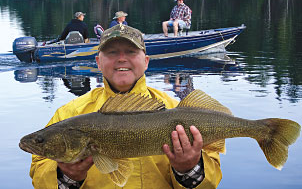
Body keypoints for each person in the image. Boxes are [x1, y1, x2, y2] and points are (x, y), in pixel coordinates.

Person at [29, 25, 223, 189]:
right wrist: (66, 176)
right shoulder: (69, 113)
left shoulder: (176, 109)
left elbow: (210, 181)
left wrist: (189, 168)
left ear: (146, 61)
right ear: (98, 62)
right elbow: (40, 175)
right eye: (112, 52)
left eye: (131, 52)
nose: (122, 58)